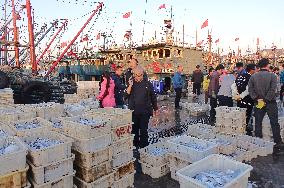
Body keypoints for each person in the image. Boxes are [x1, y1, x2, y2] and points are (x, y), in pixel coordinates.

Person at [248, 58, 284, 154]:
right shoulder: (273, 76)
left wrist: (256, 98)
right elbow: (273, 90)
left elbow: (250, 90)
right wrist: (266, 99)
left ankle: (259, 141)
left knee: (258, 122)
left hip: (258, 102)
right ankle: (278, 142)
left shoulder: (253, 77)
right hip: (270, 102)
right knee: (274, 123)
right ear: (267, 65)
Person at [126, 67, 158, 148]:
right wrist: (130, 85)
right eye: (136, 75)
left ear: (143, 75)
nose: (138, 77)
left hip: (145, 111)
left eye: (140, 75)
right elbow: (125, 96)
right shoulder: (131, 84)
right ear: (133, 75)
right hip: (134, 111)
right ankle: (135, 146)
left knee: (144, 130)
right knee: (134, 130)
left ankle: (144, 147)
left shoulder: (148, 84)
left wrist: (155, 109)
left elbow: (153, 97)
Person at [232, 63, 256, 136]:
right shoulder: (250, 77)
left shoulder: (240, 76)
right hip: (247, 100)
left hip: (239, 100)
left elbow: (233, 85)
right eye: (254, 69)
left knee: (240, 114)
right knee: (246, 115)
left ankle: (239, 128)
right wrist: (241, 96)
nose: (255, 71)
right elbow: (248, 90)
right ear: (251, 70)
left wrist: (236, 95)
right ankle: (243, 130)